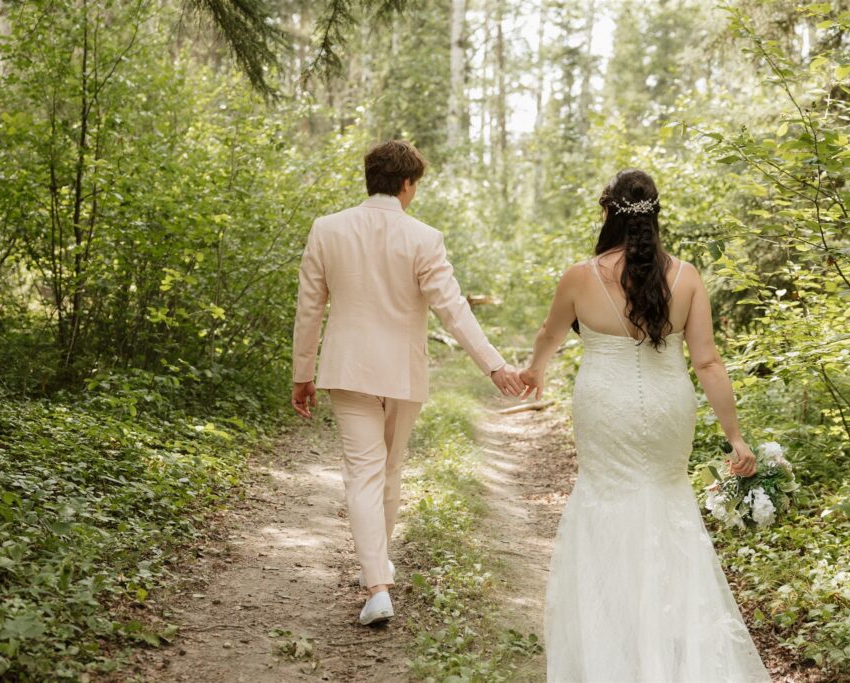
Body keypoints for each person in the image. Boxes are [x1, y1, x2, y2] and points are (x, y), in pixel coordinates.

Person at [519, 169, 771, 681]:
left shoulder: (578, 276)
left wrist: (534, 372)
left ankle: (614, 651)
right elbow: (708, 363)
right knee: (665, 504)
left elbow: (550, 334)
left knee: (605, 503)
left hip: (604, 407)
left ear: (606, 210)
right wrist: (735, 436)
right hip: (667, 409)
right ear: (656, 213)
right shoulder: (688, 277)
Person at [291, 140, 525, 626]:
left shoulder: (327, 229)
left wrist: (302, 374)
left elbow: (309, 307)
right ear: (406, 184)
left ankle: (376, 581)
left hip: (347, 370)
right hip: (401, 372)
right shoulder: (423, 237)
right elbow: (452, 308)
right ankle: (377, 574)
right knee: (389, 469)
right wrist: (494, 366)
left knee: (363, 472)